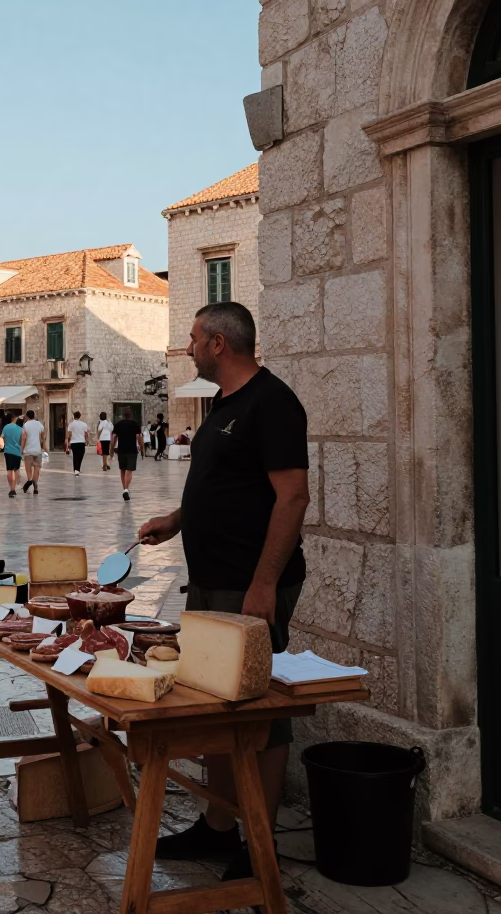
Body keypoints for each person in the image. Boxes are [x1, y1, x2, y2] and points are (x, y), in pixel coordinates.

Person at [138, 301, 309, 881]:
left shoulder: (273, 403)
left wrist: (263, 585)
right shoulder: (221, 405)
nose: (187, 347)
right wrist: (179, 519)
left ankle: (260, 841)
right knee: (213, 701)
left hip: (250, 585)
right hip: (210, 580)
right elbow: (223, 485)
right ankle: (217, 827)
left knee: (260, 711)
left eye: (192, 338)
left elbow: (292, 498)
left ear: (218, 343)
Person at [110, 408, 143, 501]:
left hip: (121, 450)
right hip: (132, 450)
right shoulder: (135, 424)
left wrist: (111, 451)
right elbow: (140, 438)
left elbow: (114, 438)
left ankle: (125, 489)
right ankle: (126, 489)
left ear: (123, 415)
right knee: (129, 470)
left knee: (122, 470)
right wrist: (142, 449)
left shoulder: (118, 425)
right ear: (131, 415)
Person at [20, 409, 46, 494]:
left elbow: (23, 438)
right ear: (34, 415)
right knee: (37, 468)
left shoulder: (25, 425)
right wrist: (43, 446)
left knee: (28, 468)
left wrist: (22, 449)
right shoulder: (40, 425)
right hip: (37, 450)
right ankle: (35, 484)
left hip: (28, 450)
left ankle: (30, 480)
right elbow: (42, 438)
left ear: (27, 416)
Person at [0, 412, 23, 497]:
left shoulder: (6, 427)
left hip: (8, 451)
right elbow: (22, 441)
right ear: (16, 419)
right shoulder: (20, 429)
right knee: (16, 469)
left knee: (9, 470)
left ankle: (11, 489)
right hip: (17, 452)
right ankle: (14, 487)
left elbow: (1, 437)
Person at [65, 411, 90, 476]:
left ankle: (76, 469)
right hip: (81, 442)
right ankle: (77, 469)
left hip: (73, 442)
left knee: (75, 456)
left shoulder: (71, 424)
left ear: (74, 416)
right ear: (80, 416)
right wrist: (87, 441)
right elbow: (86, 434)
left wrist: (68, 442)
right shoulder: (84, 424)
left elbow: (69, 434)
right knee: (80, 455)